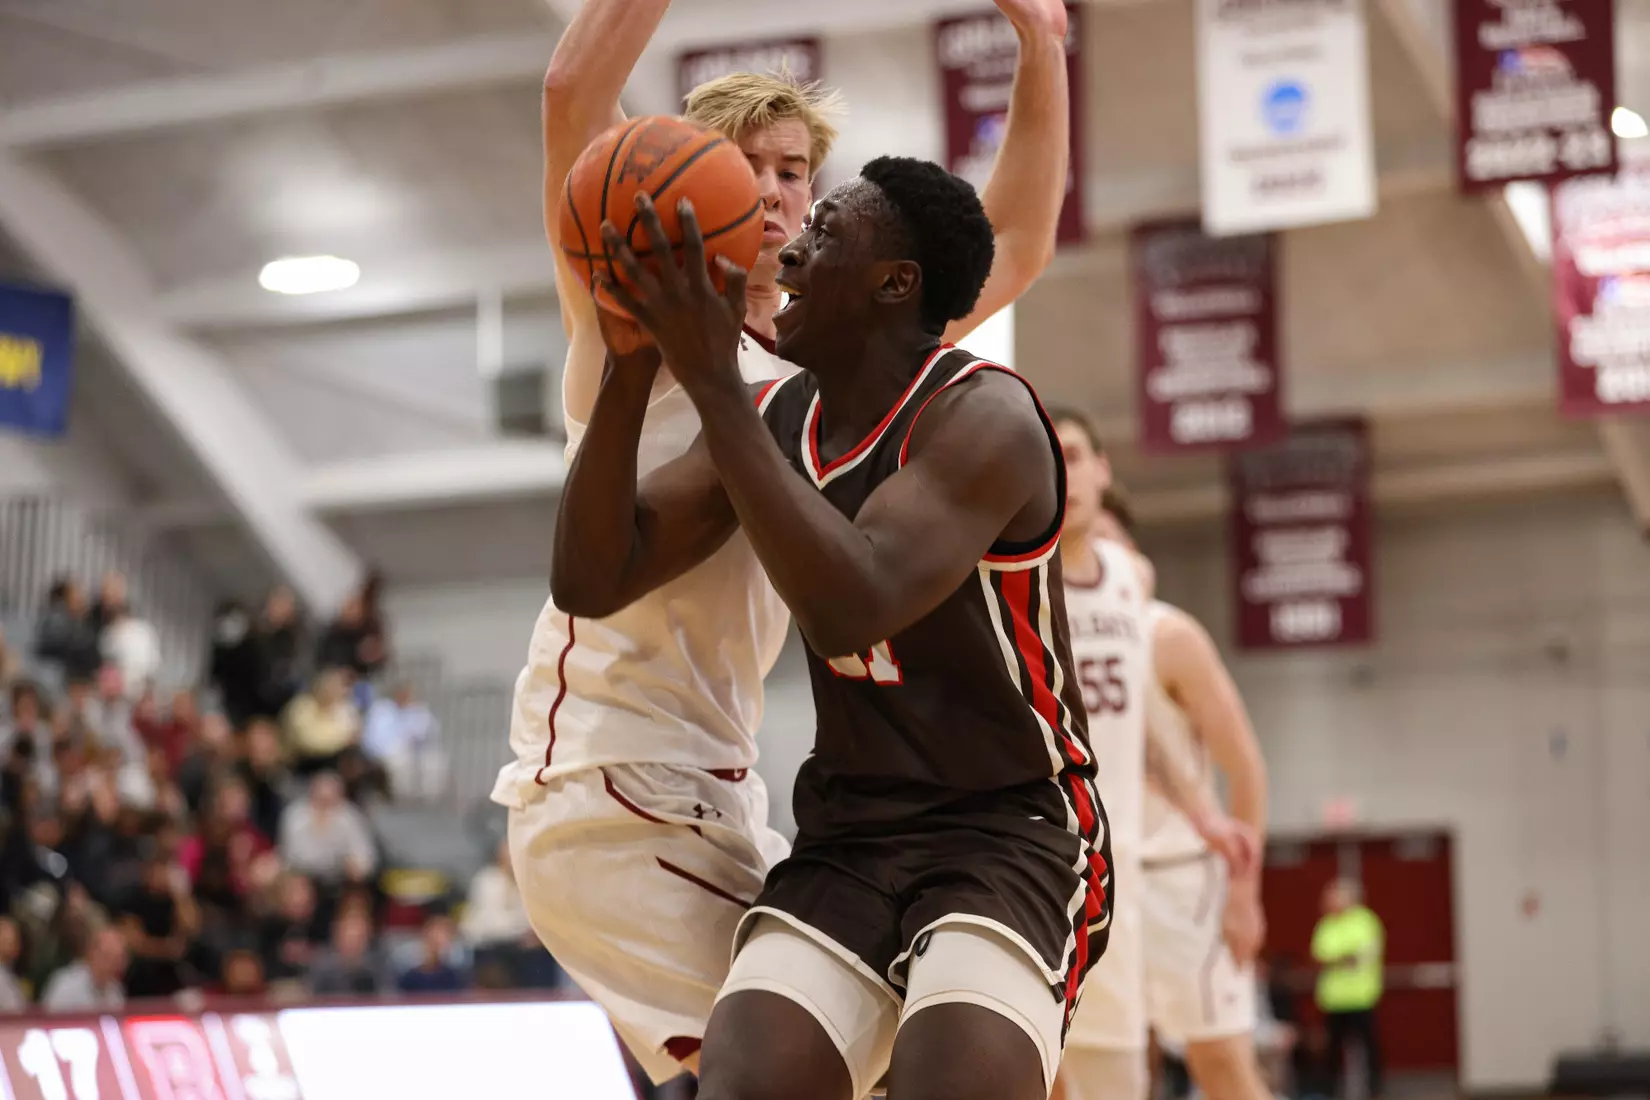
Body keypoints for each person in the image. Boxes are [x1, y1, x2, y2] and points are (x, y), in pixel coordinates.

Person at [583, 151, 1258, 1099]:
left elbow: (849, 602)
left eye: (823, 234)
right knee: (747, 1078)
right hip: (853, 834)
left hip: (1011, 828)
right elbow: (592, 573)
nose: (791, 253)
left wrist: (713, 381)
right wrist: (629, 364)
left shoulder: (987, 418)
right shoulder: (783, 420)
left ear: (894, 284)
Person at [495, 0, 1076, 1085]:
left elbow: (1020, 240)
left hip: (718, 779)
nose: (771, 188)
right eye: (743, 164)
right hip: (612, 772)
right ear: (681, 183)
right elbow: (571, 95)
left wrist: (1041, 42)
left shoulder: (827, 360)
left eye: (795, 168)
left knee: (919, 1039)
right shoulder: (632, 305)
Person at [1047, 429, 1258, 1100]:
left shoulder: (1163, 628)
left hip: (1173, 875)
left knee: (1219, 1062)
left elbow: (1244, 765)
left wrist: (1242, 887)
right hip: (1076, 865)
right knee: (1075, 1066)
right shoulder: (1038, 594)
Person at [1311, 879, 1384, 1099]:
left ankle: (1375, 1092)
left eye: (1332, 895)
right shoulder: (1326, 924)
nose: (1327, 901)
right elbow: (1320, 954)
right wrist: (1343, 957)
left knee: (1370, 1048)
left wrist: (1338, 958)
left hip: (1361, 998)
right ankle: (1330, 1093)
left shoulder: (1366, 921)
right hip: (1333, 1000)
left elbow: (1361, 957)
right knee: (1331, 1053)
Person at [40, 924, 127, 1011]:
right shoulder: (66, 985)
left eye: (119, 959)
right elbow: (52, 1020)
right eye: (108, 957)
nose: (115, 965)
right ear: (92, 953)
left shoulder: (115, 990)